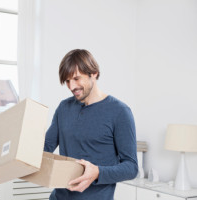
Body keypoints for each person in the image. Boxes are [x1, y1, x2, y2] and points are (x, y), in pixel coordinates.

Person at [44, 49, 138, 200]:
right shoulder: (63, 108)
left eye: (76, 78)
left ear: (93, 73)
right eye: (67, 81)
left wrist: (97, 172)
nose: (71, 86)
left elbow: (131, 167)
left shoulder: (120, 112)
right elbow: (45, 148)